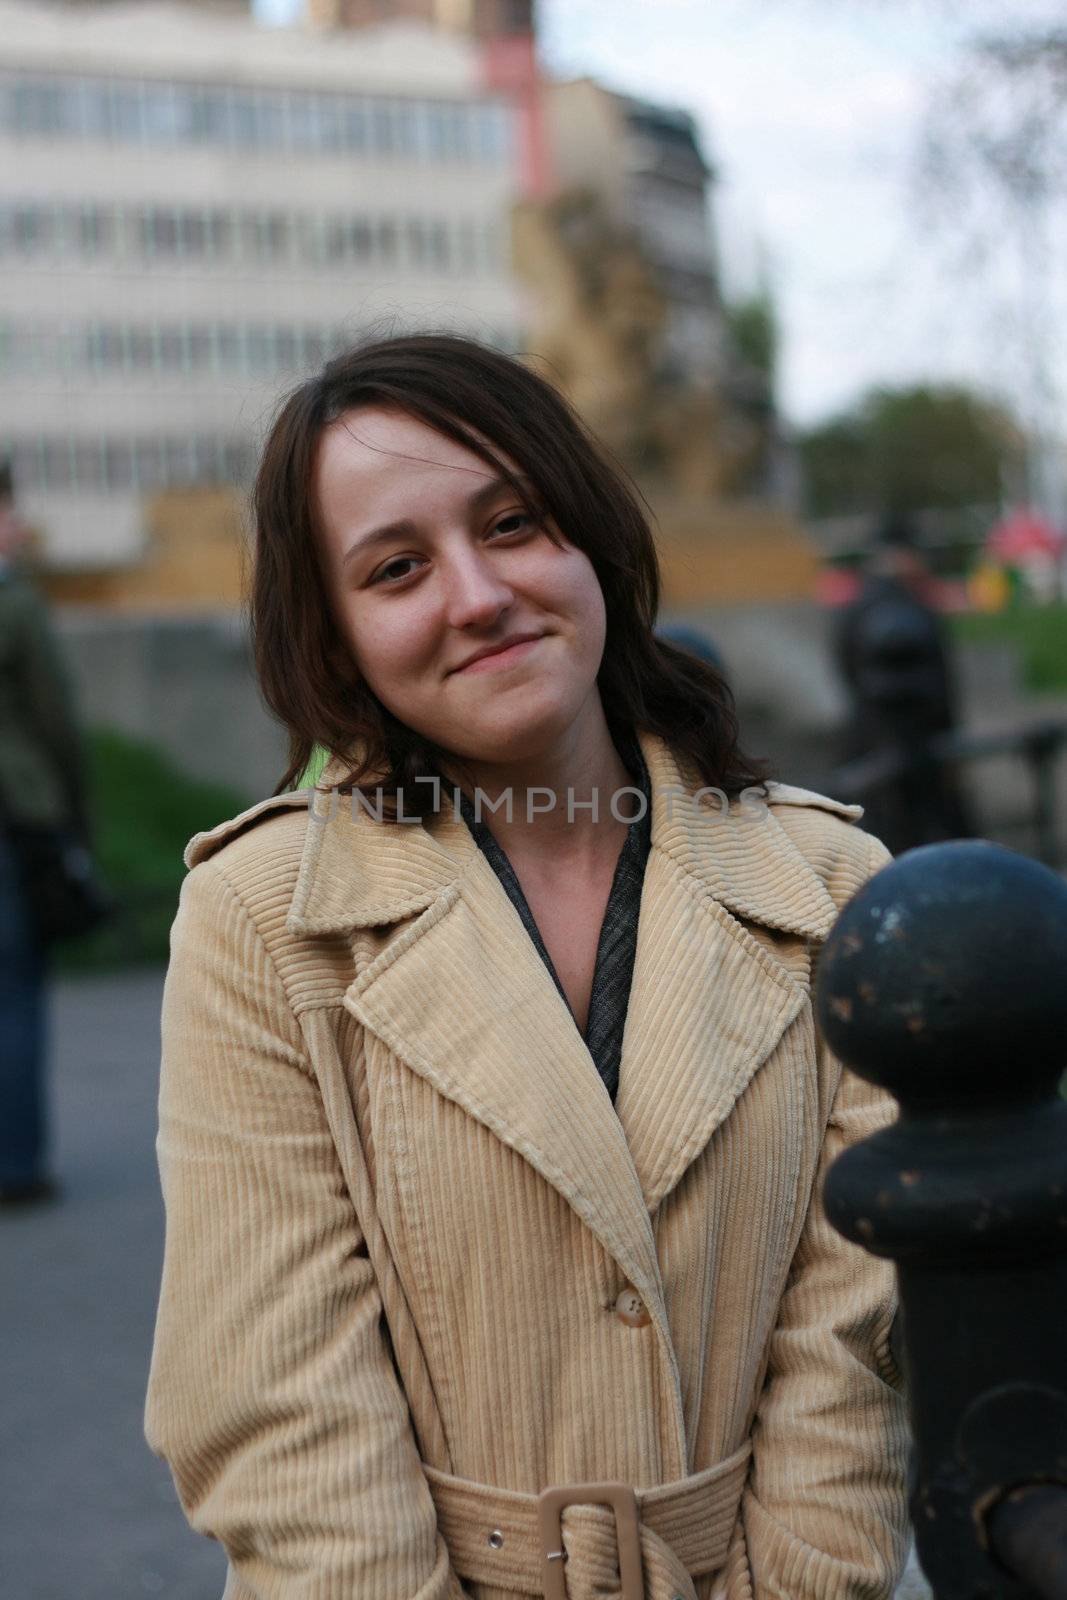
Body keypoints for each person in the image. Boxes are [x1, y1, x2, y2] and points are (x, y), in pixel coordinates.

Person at [144, 334, 910, 1600]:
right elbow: (280, 1410)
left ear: (590, 542)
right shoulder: (262, 920)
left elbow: (854, 1368)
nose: (477, 593)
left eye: (511, 523)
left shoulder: (831, 888)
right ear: (334, 638)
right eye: (396, 568)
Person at [0, 466, 92, 1204]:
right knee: (14, 994)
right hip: (14, 819)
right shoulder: (14, 605)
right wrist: (75, 823)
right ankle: (17, 1167)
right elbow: (56, 722)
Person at [834, 513, 973, 853]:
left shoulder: (858, 608)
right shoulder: (912, 607)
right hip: (918, 743)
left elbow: (847, 669)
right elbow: (941, 683)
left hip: (875, 739)